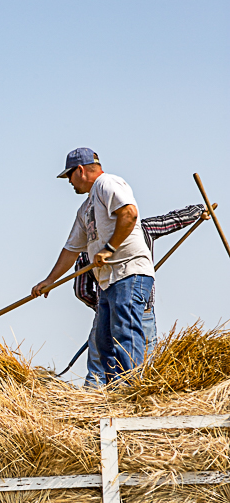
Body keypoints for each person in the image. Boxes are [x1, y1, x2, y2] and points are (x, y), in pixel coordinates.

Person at [32, 148, 155, 383]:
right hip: (108, 281)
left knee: (125, 334)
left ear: (80, 170)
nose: (69, 182)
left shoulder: (107, 184)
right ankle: (113, 394)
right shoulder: (85, 209)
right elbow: (71, 249)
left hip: (128, 272)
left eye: (69, 176)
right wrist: (49, 281)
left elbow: (129, 214)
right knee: (104, 342)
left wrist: (108, 249)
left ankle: (130, 390)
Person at [76, 204, 206, 386]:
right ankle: (135, 402)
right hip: (143, 311)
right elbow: (173, 219)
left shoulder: (87, 249)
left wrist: (102, 306)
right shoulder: (143, 229)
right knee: (143, 368)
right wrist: (199, 210)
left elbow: (82, 291)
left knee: (98, 372)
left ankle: (93, 407)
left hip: (105, 311)